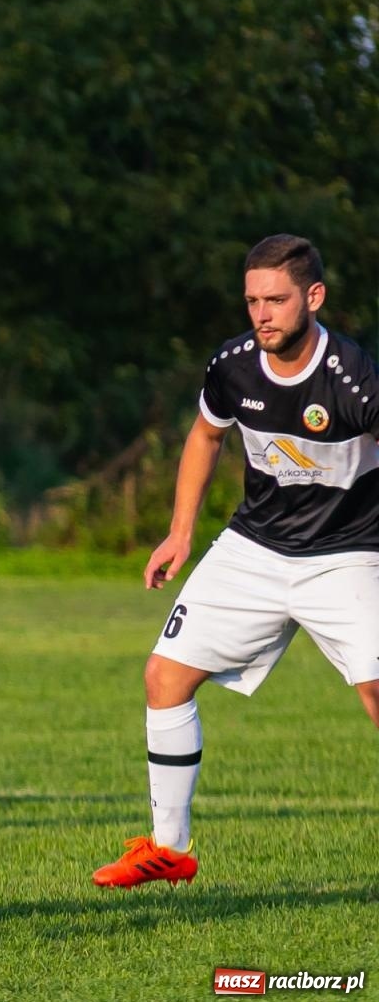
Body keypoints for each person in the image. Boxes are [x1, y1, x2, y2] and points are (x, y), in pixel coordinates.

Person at [93, 234, 379, 888]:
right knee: (164, 678)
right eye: (252, 300)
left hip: (347, 556)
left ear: (313, 297)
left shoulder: (355, 379)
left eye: (275, 300)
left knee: (375, 692)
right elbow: (205, 435)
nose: (261, 314)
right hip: (254, 548)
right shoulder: (233, 367)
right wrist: (180, 532)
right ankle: (171, 851)